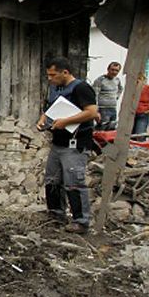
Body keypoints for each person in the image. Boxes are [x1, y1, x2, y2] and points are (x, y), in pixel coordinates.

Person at [37, 57, 98, 234]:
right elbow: (50, 108)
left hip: (76, 143)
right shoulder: (56, 88)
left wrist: (66, 121)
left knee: (74, 182)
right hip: (58, 143)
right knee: (52, 179)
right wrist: (43, 119)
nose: (50, 78)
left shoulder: (81, 88)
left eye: (53, 75)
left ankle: (81, 221)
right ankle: (56, 214)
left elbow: (92, 112)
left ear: (65, 72)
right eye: (48, 75)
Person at [92, 61, 123, 130]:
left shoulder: (117, 80)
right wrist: (96, 110)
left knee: (111, 128)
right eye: (112, 70)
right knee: (103, 129)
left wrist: (116, 97)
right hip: (103, 109)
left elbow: (120, 89)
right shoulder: (100, 80)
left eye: (116, 70)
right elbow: (94, 94)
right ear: (108, 69)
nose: (114, 72)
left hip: (113, 108)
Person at [133, 72, 149, 140]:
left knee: (140, 134)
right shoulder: (131, 88)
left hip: (143, 113)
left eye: (140, 79)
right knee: (129, 135)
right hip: (131, 114)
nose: (138, 81)